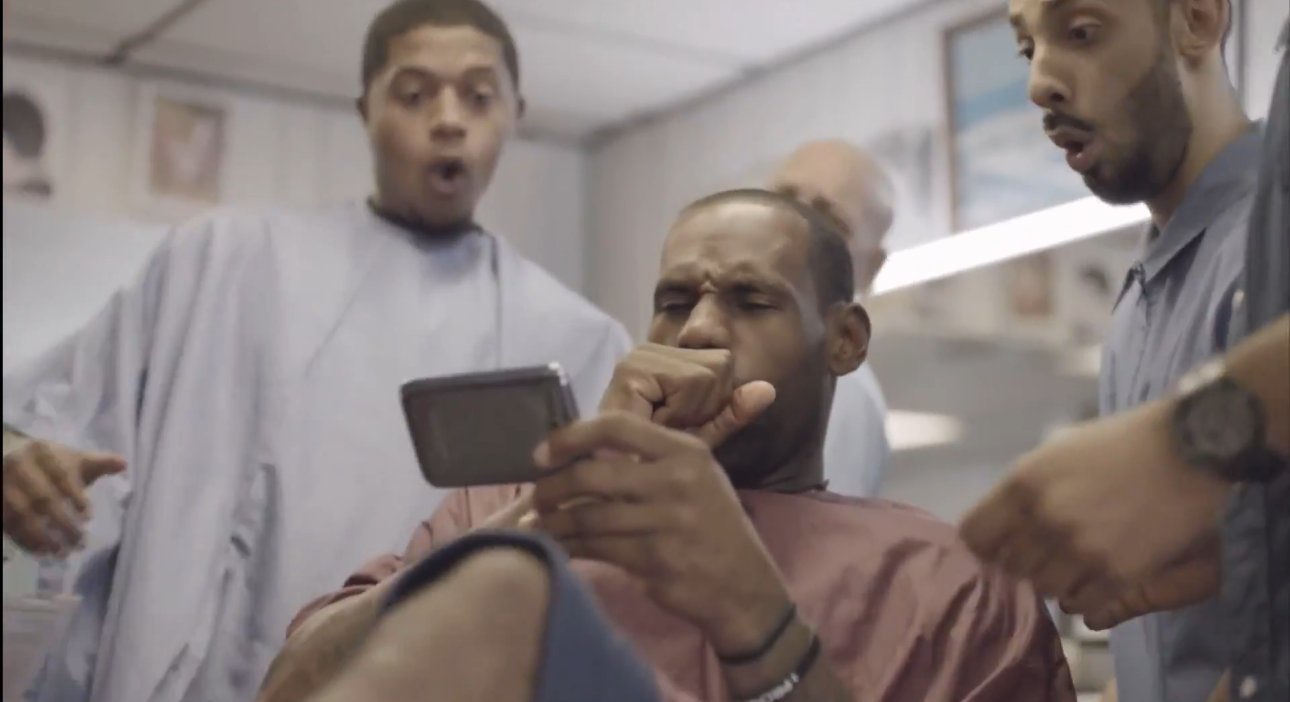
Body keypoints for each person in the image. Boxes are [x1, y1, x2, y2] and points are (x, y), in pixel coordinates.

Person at [0, 1, 630, 701]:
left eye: (479, 96)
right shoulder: (224, 264)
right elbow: (46, 422)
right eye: (413, 94)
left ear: (516, 113)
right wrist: (20, 463)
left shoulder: (577, 341)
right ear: (366, 110)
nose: (449, 119)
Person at [262, 188, 1077, 702]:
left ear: (845, 341)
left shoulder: (955, 584)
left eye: (751, 301)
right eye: (675, 301)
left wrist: (754, 613)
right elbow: (290, 688)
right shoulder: (499, 513)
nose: (698, 331)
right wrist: (543, 522)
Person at [963, 16, 1290, 702]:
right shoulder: (1135, 306)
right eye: (1027, 49)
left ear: (1197, 17)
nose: (1038, 83)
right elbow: (1180, 646)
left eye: (1081, 31)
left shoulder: (1270, 244)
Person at [769, 139, 892, 497]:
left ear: (870, 267)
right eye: (782, 199)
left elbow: (813, 528)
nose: (792, 224)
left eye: (828, 221)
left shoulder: (840, 391)